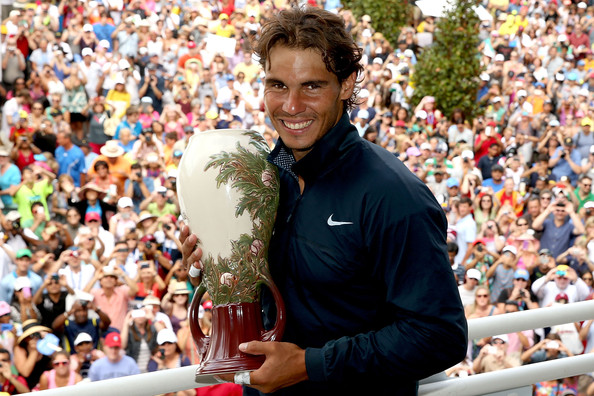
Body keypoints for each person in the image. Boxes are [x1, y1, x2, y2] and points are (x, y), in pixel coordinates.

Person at [180, 8, 467, 395]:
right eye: (277, 85)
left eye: (312, 86)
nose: (291, 105)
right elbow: (270, 292)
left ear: (346, 84)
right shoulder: (263, 174)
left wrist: (308, 365)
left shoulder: (393, 195)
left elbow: (440, 335)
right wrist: (209, 267)